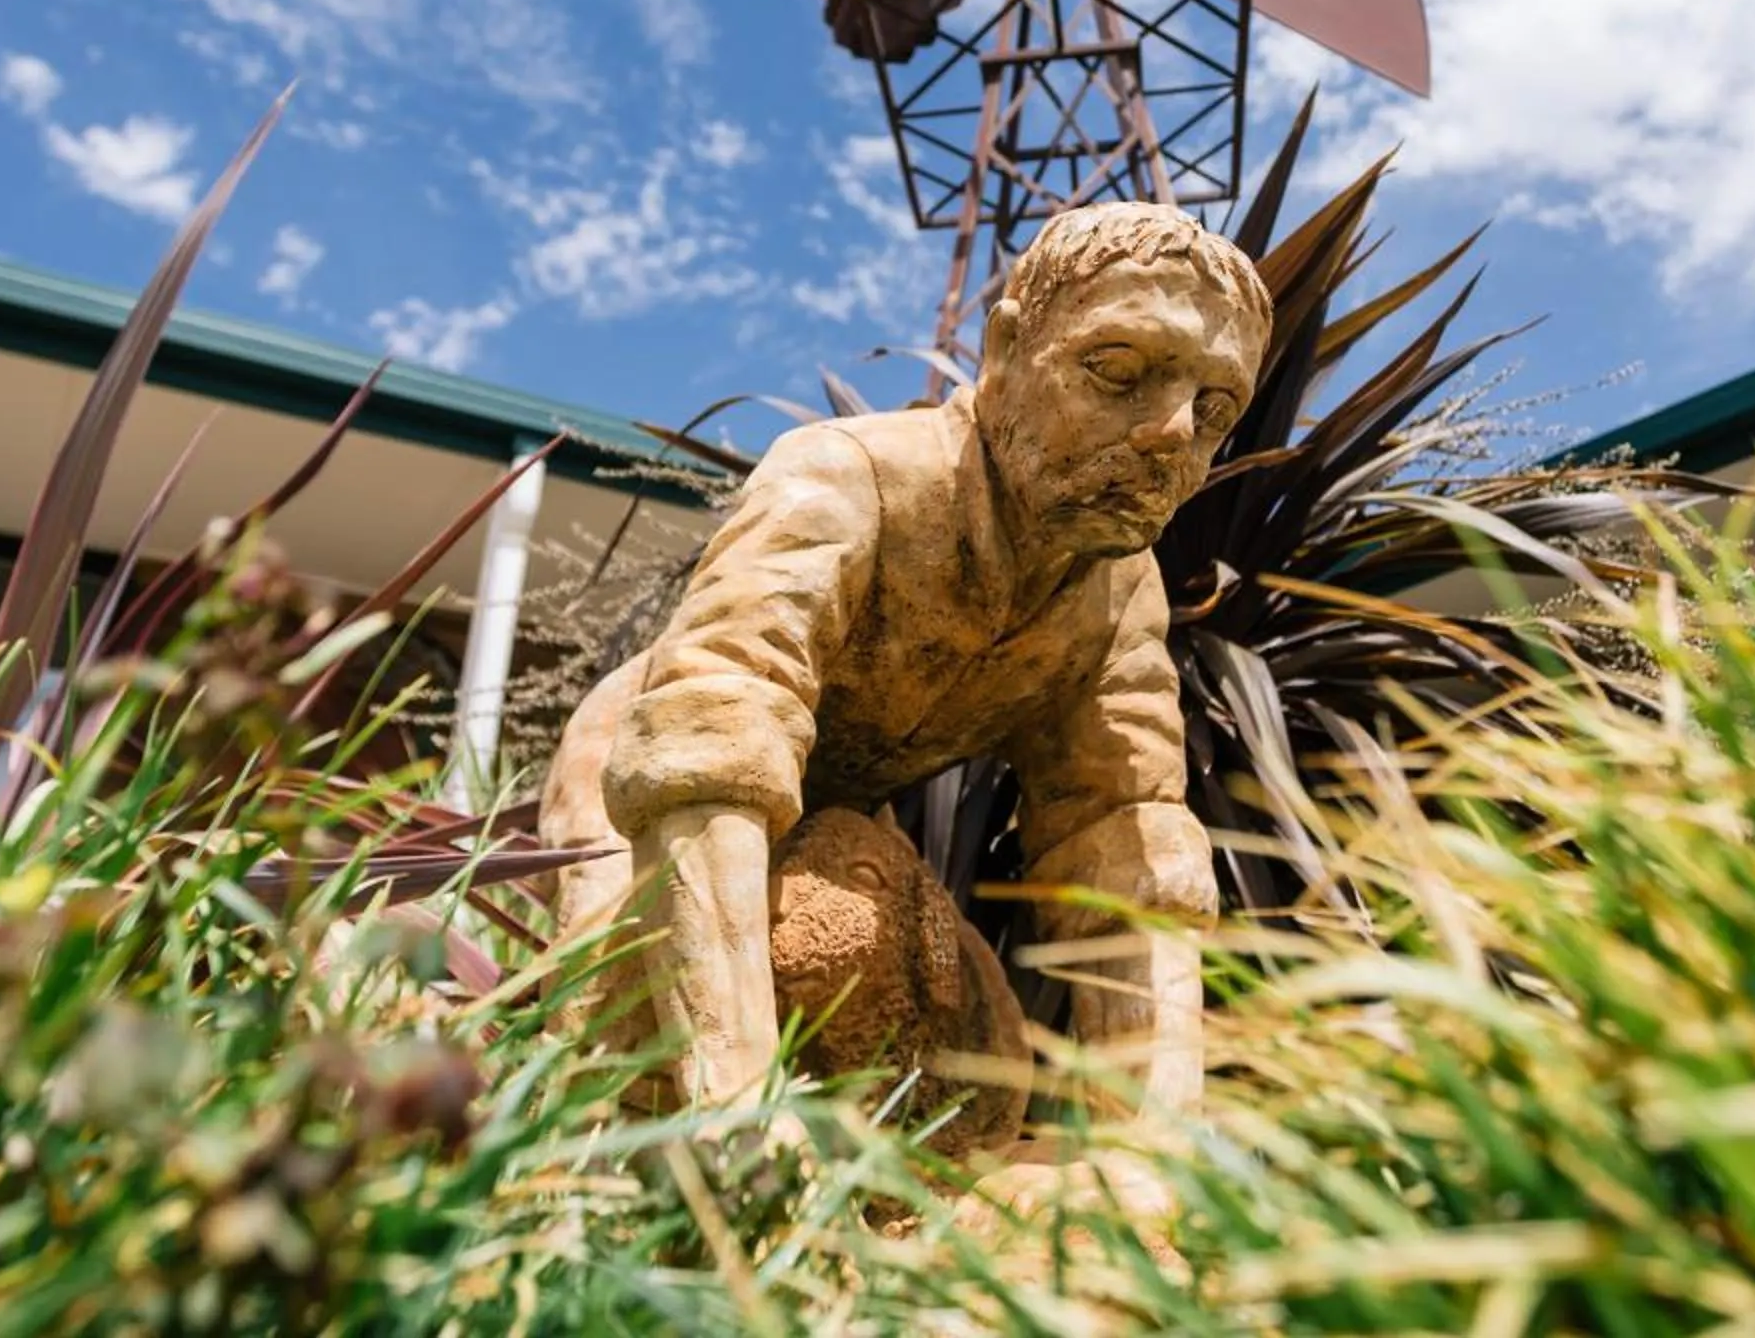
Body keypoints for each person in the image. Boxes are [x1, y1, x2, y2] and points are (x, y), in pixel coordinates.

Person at [540, 201, 1271, 1121]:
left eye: (1214, 409)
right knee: (608, 1048)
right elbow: (709, 732)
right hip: (639, 778)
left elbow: (1128, 841)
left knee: (972, 1065)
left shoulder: (1119, 591)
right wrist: (736, 1107)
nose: (1171, 433)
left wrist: (1155, 1160)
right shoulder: (847, 476)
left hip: (842, 818)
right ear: (1005, 353)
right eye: (1116, 370)